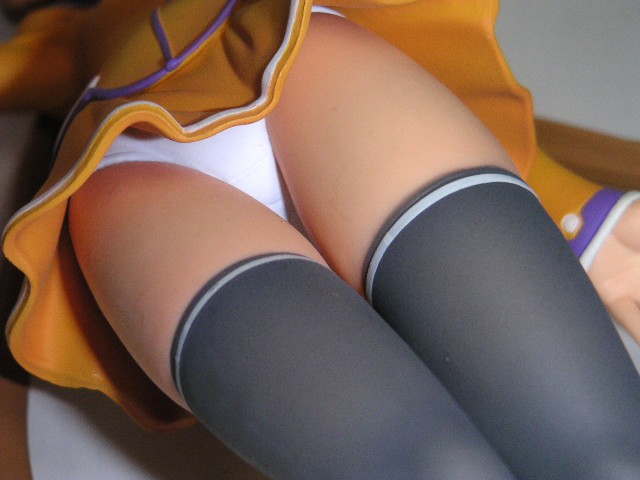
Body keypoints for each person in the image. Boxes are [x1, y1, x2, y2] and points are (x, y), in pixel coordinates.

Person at [2, 0, 640, 478]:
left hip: (301, 55)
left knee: (607, 454)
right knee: (443, 469)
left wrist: (581, 214)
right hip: (139, 160)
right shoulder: (65, 39)